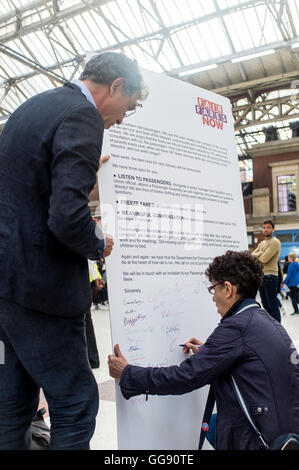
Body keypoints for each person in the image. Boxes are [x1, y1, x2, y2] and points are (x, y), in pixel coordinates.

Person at [0, 52, 146, 450]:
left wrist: (83, 180)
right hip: (45, 291)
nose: (120, 120)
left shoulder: (32, 107)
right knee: (76, 403)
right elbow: (66, 219)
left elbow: (28, 195)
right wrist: (99, 241)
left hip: (9, 286)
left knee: (14, 404)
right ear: (115, 86)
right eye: (126, 108)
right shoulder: (83, 117)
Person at [108, 251, 299, 450]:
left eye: (213, 288)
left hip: (256, 440)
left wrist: (128, 373)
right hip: (281, 434)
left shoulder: (236, 328)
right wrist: (209, 355)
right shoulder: (266, 321)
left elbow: (184, 376)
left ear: (228, 289)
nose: (213, 297)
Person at [251, 220, 281, 322]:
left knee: (272, 305)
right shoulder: (262, 243)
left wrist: (259, 253)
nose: (266, 229)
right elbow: (252, 256)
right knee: (265, 305)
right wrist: (261, 252)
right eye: (264, 227)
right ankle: (271, 328)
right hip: (262, 276)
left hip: (271, 277)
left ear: (273, 229)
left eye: (268, 227)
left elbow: (264, 259)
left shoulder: (275, 242)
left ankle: (278, 329)